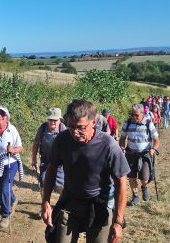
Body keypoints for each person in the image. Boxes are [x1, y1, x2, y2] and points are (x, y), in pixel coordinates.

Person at [42, 99, 130, 243]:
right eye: (71, 126)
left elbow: (121, 183)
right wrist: (45, 201)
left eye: (81, 127)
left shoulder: (108, 145)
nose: (75, 132)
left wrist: (118, 221)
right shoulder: (62, 140)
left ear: (94, 122)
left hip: (99, 205)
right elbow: (51, 169)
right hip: (70, 202)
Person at [119, 104, 160, 206]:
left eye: (136, 115)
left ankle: (144, 187)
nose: (134, 117)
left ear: (142, 113)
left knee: (144, 177)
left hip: (145, 154)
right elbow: (122, 138)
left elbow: (156, 140)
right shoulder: (127, 123)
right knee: (131, 177)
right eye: (132, 114)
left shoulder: (148, 123)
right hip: (130, 153)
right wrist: (122, 147)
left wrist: (153, 149)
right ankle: (135, 196)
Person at [32, 107, 66, 195]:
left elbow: (69, 147)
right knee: (43, 183)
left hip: (60, 163)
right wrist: (34, 160)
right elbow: (36, 144)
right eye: (50, 119)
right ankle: (45, 205)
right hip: (45, 161)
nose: (52, 122)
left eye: (55, 120)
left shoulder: (63, 129)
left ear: (60, 120)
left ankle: (63, 203)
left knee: (60, 186)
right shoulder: (43, 128)